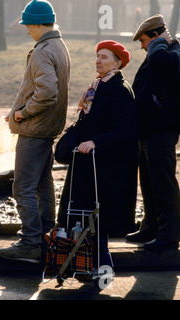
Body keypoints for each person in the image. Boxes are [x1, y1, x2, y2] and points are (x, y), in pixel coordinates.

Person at [0, 0, 71, 263]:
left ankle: (30, 242)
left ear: (39, 24)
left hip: (35, 128)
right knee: (43, 184)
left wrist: (23, 112)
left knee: (22, 187)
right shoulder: (59, 45)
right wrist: (17, 109)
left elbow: (47, 93)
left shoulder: (42, 50)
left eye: (28, 25)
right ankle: (43, 237)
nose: (27, 30)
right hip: (47, 127)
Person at [57, 40, 137, 270]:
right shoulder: (98, 85)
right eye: (98, 56)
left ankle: (102, 268)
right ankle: (86, 267)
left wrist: (94, 142)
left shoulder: (120, 90)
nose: (98, 60)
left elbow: (123, 131)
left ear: (117, 63)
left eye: (104, 57)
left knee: (97, 220)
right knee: (85, 216)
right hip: (88, 163)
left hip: (105, 166)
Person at [125, 14, 180, 252]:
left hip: (162, 130)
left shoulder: (171, 54)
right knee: (148, 182)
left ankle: (169, 235)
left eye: (145, 40)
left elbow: (160, 63)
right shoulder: (158, 53)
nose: (142, 46)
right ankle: (150, 227)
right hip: (148, 131)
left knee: (163, 184)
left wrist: (158, 44)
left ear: (156, 36)